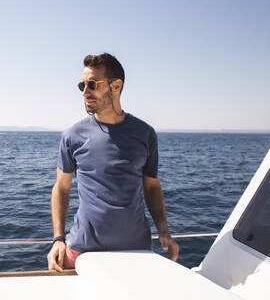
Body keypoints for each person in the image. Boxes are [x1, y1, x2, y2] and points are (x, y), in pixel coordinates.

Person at [47, 53, 179, 272]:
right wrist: (58, 239)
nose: (85, 92)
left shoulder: (145, 134)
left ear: (116, 86)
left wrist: (163, 230)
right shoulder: (72, 135)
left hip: (136, 250)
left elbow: (152, 186)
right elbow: (61, 188)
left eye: (92, 84)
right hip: (82, 250)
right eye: (82, 85)